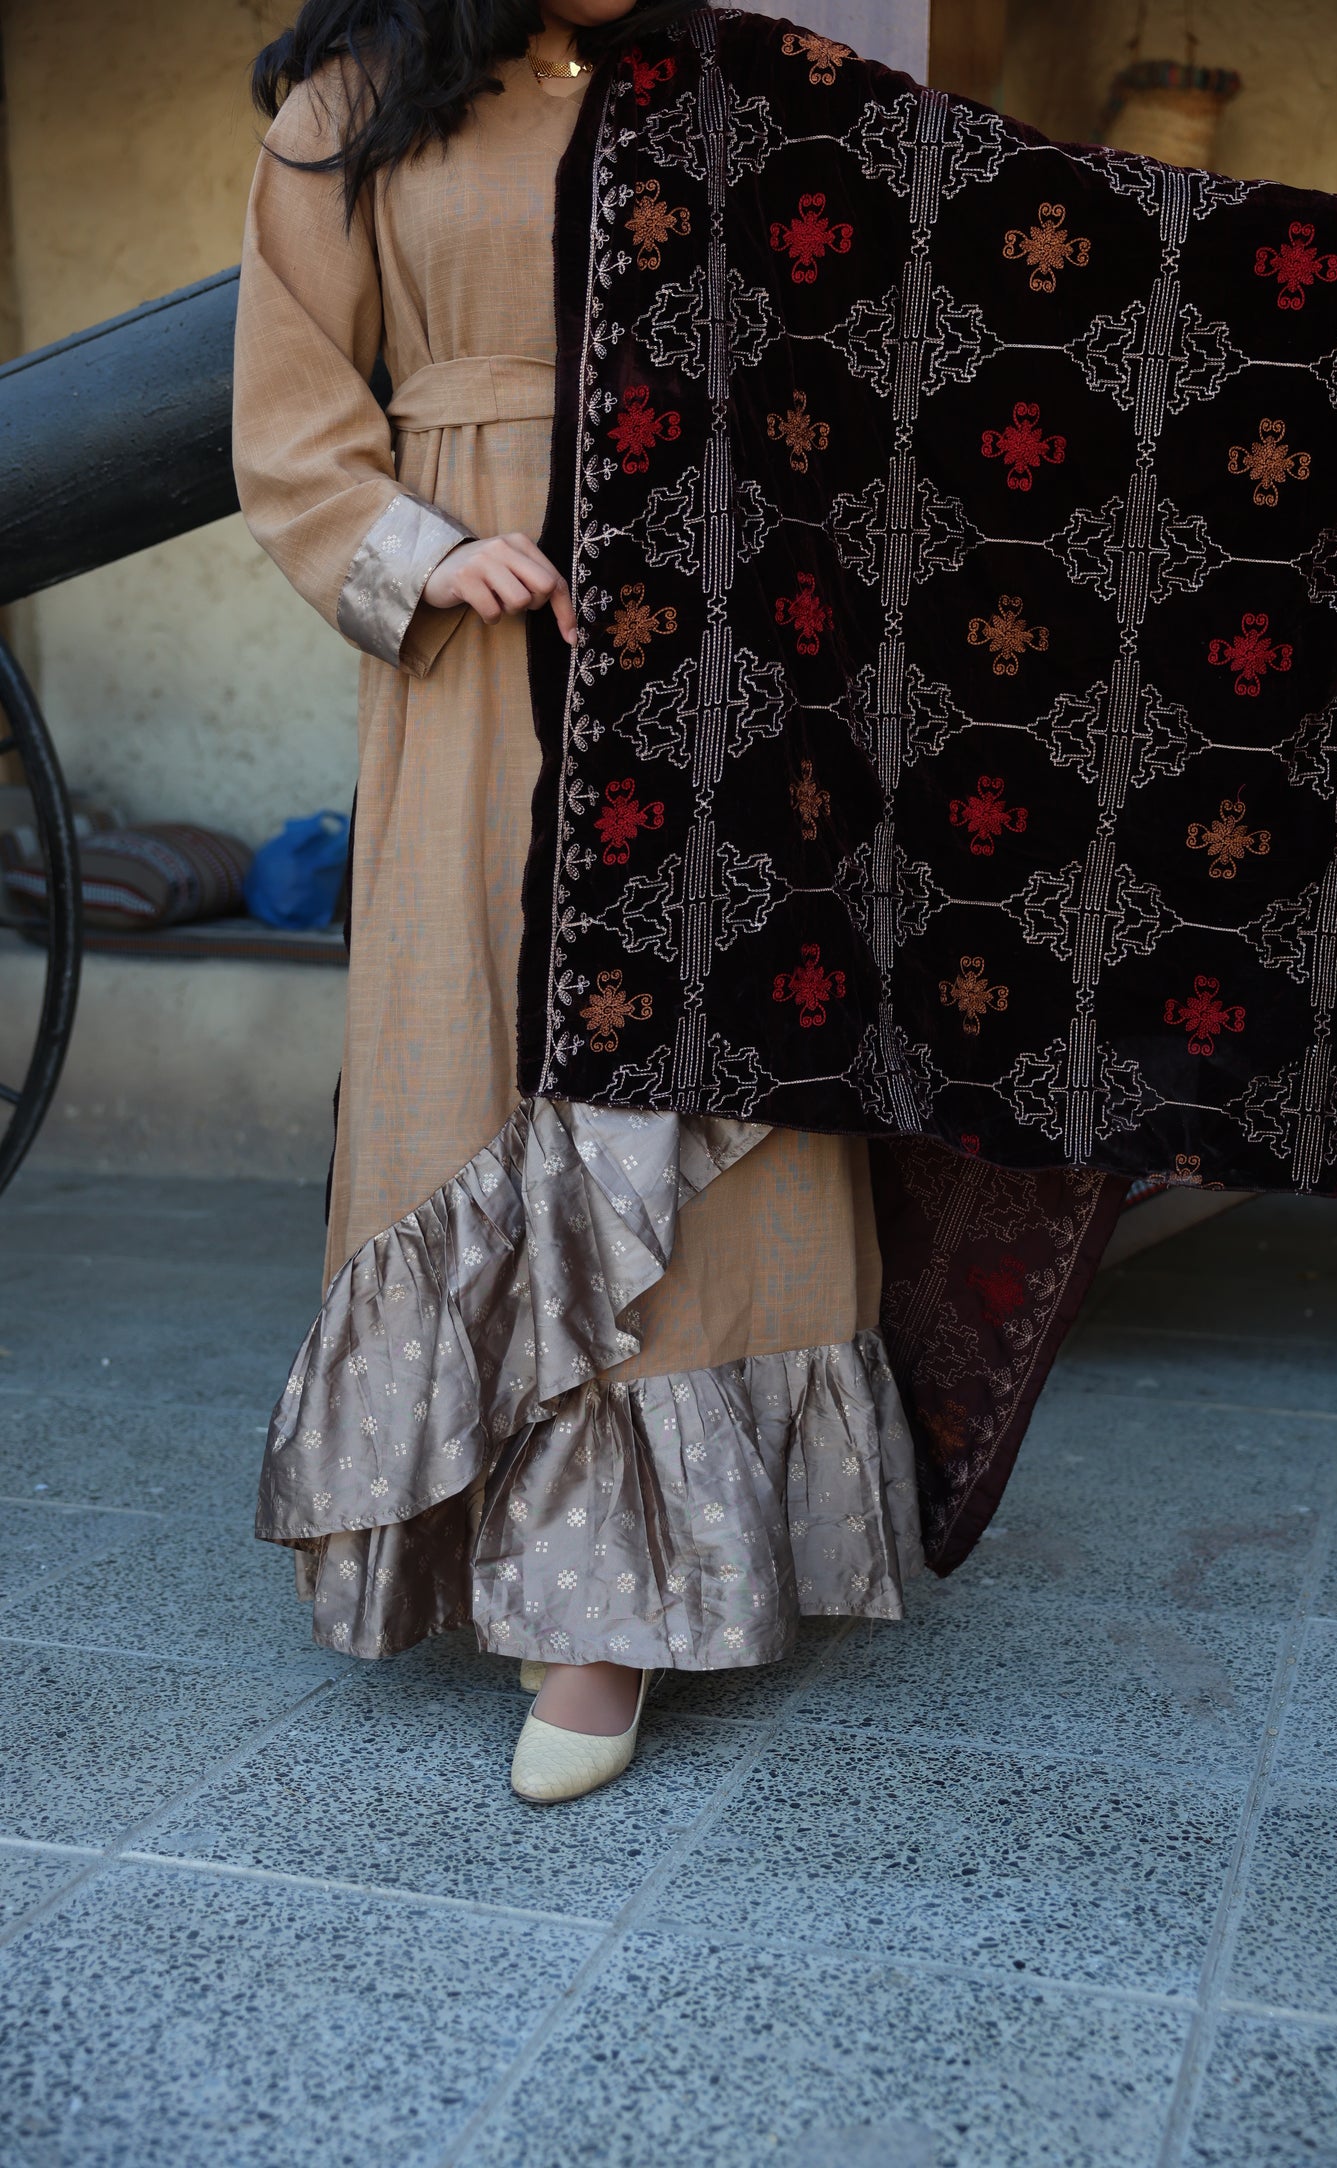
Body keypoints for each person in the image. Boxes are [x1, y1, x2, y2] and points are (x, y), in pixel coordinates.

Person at [235, 0, 923, 1805]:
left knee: (716, 1081)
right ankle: (555, 1593)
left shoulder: (752, 85)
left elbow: (931, 306)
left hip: (734, 648)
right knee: (485, 1058)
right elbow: (293, 404)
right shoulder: (352, 106)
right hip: (484, 651)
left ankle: (665, 1582)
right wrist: (425, 545)